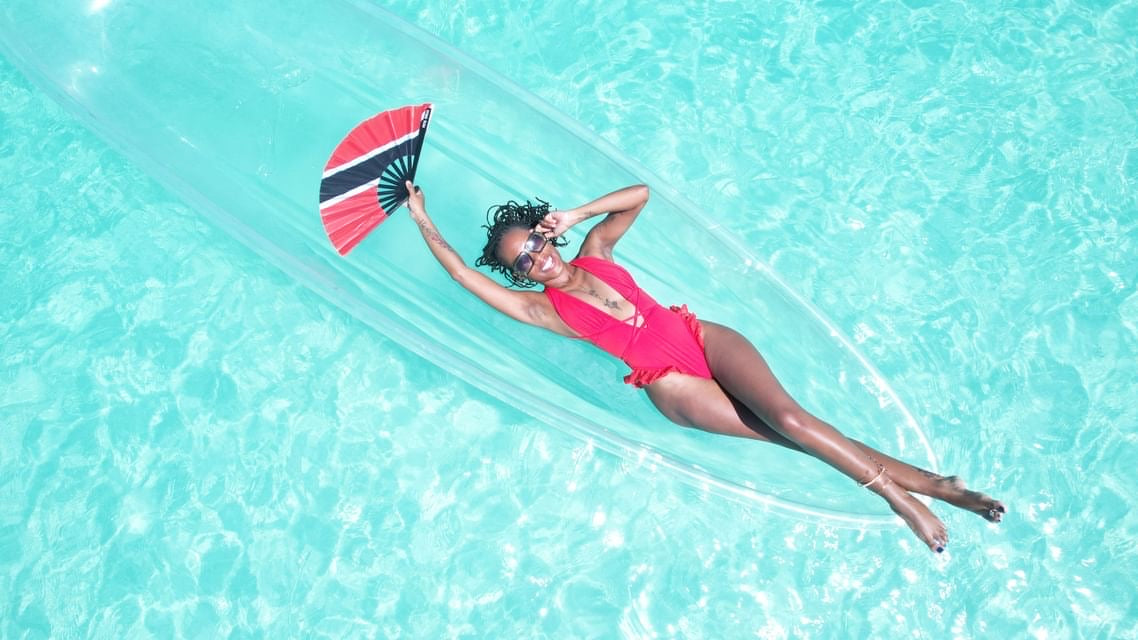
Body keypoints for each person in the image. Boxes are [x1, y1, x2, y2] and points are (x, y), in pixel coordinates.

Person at [404, 180, 1004, 553]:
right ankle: (908, 496)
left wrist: (575, 213)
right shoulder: (543, 310)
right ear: (518, 275)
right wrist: (421, 216)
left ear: (547, 236)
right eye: (522, 263)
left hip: (698, 335)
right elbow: (461, 273)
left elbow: (640, 195)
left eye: (536, 244)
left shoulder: (596, 250)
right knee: (792, 437)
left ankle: (930, 486)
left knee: (795, 419)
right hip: (673, 385)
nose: (536, 260)